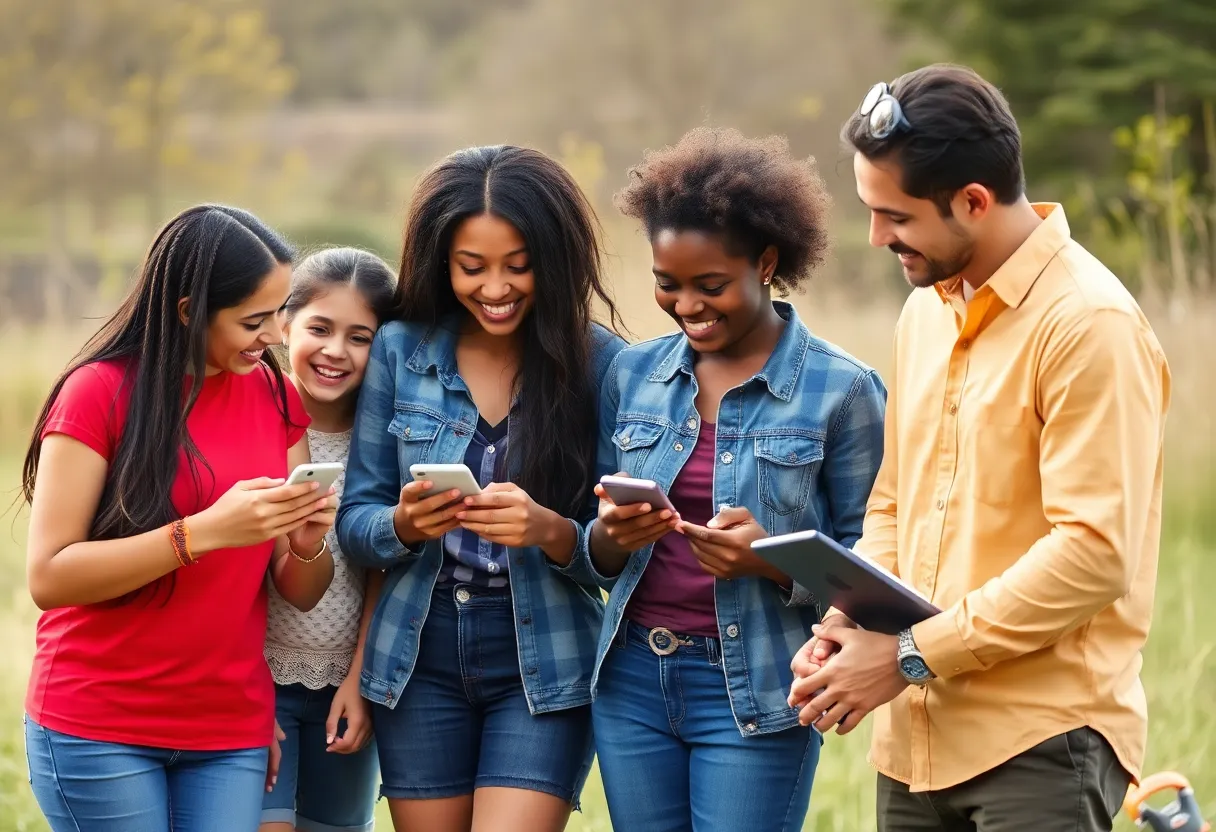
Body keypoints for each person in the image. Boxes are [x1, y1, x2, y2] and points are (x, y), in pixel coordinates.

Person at [787, 64, 1172, 832]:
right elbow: (894, 500)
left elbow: (1094, 553)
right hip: (916, 743)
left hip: (1041, 742)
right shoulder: (925, 311)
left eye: (894, 215)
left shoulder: (1089, 325)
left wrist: (906, 657)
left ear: (973, 201)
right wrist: (849, 625)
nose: (875, 237)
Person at [581, 126, 888, 832]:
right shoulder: (633, 374)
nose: (688, 305)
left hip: (756, 683)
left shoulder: (843, 391)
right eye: (667, 284)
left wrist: (772, 564)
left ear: (768, 261)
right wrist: (610, 536)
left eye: (711, 285)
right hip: (631, 681)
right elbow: (591, 551)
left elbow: (875, 558)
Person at [335, 145, 627, 832]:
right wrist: (403, 524)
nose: (495, 288)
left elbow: (616, 552)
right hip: (417, 654)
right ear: (442, 263)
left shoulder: (602, 365)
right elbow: (355, 521)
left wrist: (549, 529)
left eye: (517, 267)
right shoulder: (401, 351)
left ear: (554, 262)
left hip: (544, 656)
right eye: (472, 268)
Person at [21, 205, 338, 832]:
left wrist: (305, 544)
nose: (275, 335)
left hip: (229, 731)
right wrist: (206, 532)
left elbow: (300, 591)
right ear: (188, 311)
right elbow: (50, 576)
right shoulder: (97, 392)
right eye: (254, 320)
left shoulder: (274, 396)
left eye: (280, 312)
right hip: (100, 723)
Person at [260, 248, 398, 832]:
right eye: (320, 328)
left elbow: (385, 568)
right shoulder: (254, 416)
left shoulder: (388, 435)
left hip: (346, 682)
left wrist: (361, 680)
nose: (336, 351)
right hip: (256, 677)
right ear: (284, 325)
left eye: (360, 336)